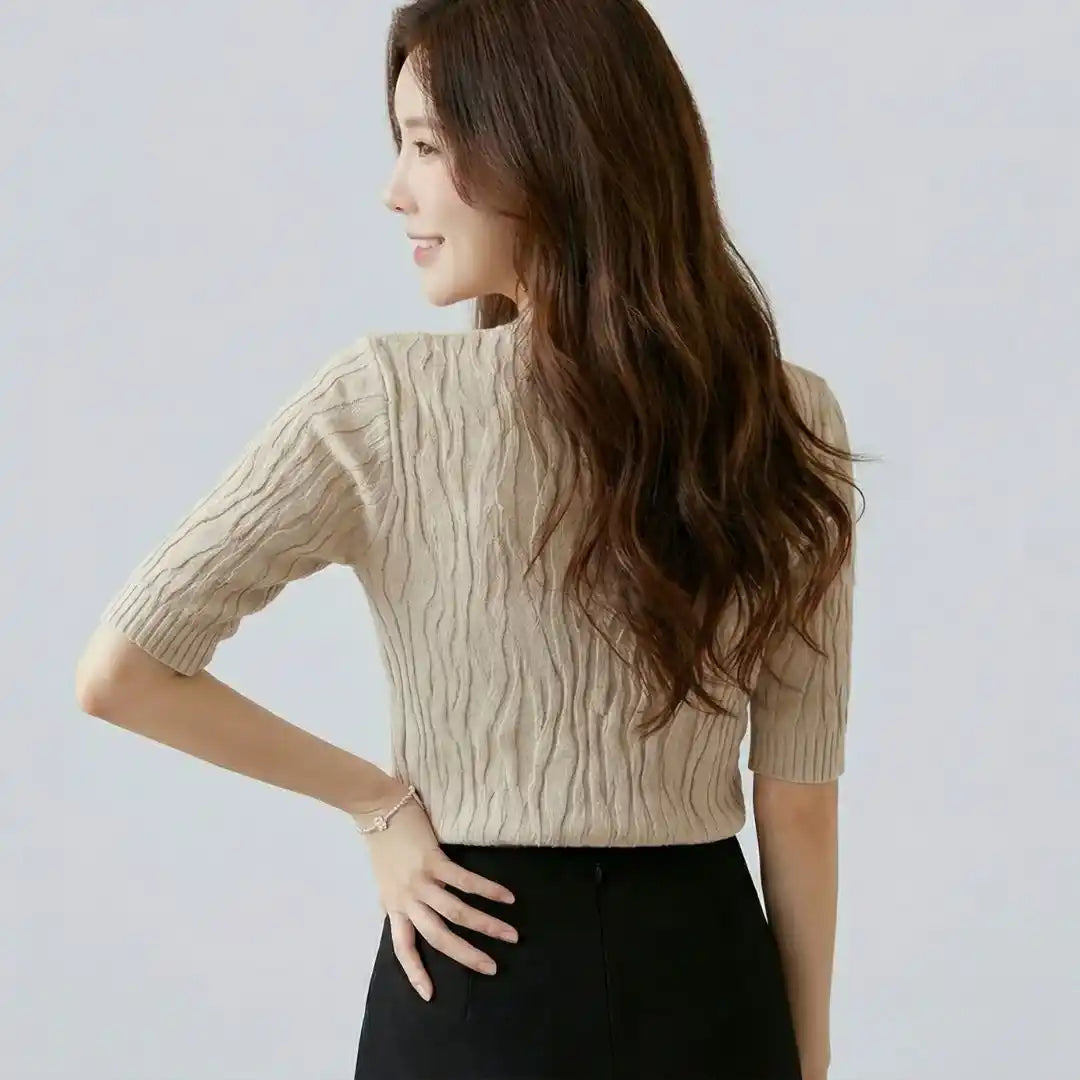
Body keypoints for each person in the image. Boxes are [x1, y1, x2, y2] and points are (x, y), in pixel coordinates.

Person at [75, 1, 870, 1077]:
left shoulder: (383, 401)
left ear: (539, 150)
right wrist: (805, 1056)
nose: (394, 189)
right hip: (711, 983)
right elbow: (798, 800)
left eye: (424, 145)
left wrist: (379, 804)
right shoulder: (785, 414)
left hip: (474, 975)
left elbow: (122, 671)